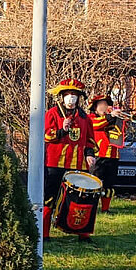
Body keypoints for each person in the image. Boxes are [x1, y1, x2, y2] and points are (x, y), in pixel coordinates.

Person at [43, 78, 97, 239]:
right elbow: (46, 135)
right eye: (67, 95)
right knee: (50, 198)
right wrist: (61, 130)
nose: (71, 98)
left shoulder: (84, 118)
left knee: (82, 198)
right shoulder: (52, 113)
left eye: (74, 95)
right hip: (55, 163)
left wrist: (89, 155)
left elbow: (89, 140)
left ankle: (83, 232)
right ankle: (45, 233)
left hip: (78, 164)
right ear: (62, 96)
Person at [89, 94, 127, 213]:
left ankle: (106, 209)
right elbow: (96, 125)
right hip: (98, 155)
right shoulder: (91, 118)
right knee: (94, 183)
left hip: (113, 155)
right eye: (101, 105)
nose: (104, 107)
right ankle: (91, 208)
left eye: (106, 105)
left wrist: (120, 117)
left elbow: (120, 133)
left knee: (109, 185)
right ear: (95, 108)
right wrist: (110, 116)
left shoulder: (112, 118)